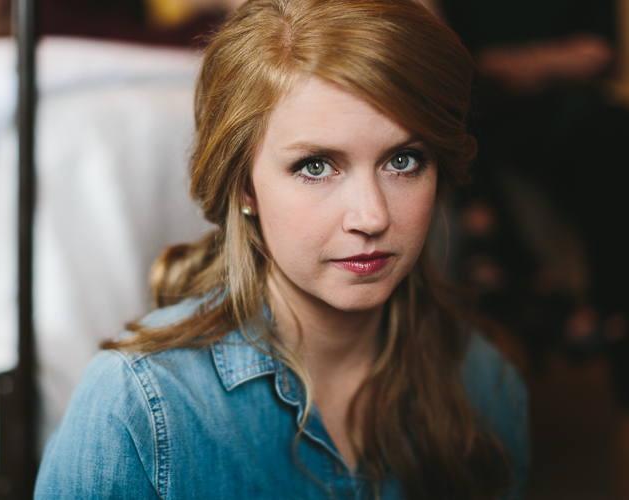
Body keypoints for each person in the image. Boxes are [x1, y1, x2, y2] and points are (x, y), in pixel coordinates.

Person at [34, 0, 529, 498]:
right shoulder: (139, 407)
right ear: (245, 187)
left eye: (403, 160)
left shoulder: (486, 381)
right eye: (315, 166)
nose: (371, 217)